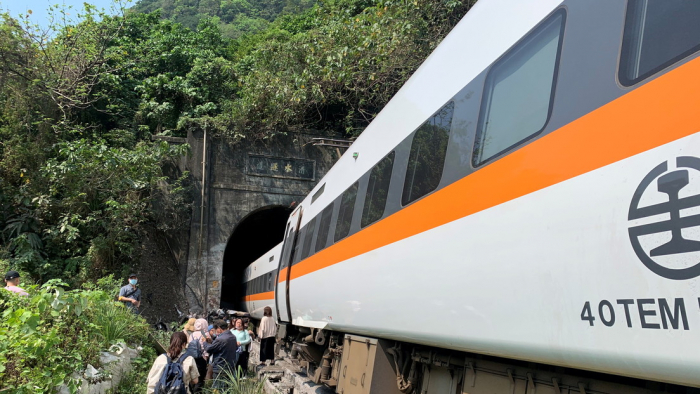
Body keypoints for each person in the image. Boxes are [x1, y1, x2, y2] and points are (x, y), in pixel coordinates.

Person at [204, 319, 238, 388]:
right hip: (230, 367)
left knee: (217, 388)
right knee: (227, 388)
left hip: (220, 367)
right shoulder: (233, 337)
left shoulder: (220, 339)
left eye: (215, 330)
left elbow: (209, 349)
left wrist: (205, 342)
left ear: (219, 329)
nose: (215, 332)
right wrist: (212, 342)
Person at [187, 318, 210, 393]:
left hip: (192, 358)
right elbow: (207, 347)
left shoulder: (192, 334)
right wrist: (206, 358)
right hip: (201, 358)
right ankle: (197, 392)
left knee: (193, 377)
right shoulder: (205, 334)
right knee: (200, 379)